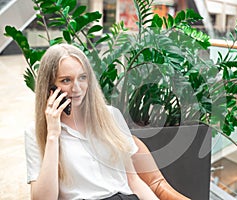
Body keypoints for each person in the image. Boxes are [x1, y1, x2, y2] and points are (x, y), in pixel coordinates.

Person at [24, 43, 159, 200]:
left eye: (82, 77)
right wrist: (53, 135)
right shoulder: (36, 133)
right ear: (49, 88)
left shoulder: (111, 116)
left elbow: (133, 181)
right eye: (66, 80)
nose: (77, 88)